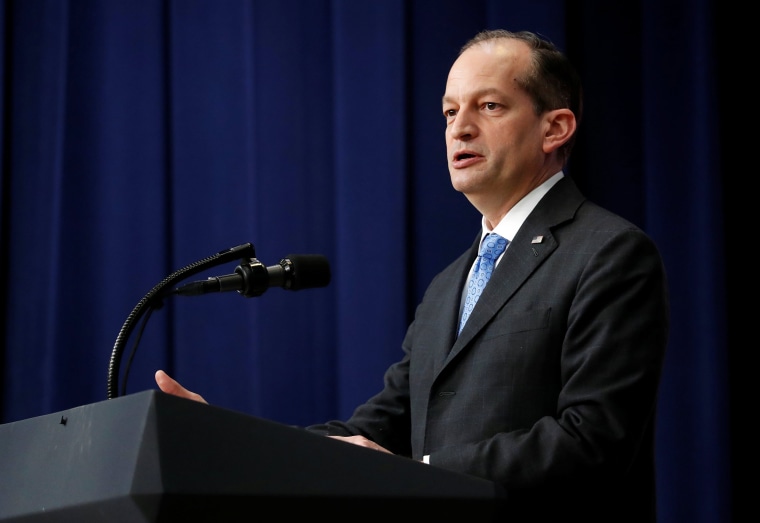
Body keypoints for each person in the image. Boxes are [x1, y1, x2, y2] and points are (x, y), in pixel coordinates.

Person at [155, 29, 669, 522]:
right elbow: (379, 429)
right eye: (450, 111)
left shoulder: (608, 253)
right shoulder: (449, 284)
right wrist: (232, 441)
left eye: (488, 106)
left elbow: (592, 440)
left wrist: (413, 473)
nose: (459, 127)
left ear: (554, 128)